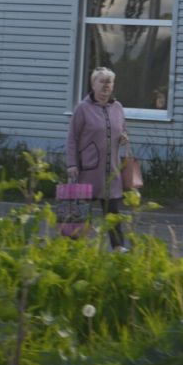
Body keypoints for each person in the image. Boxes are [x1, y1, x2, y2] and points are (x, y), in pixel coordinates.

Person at [65, 67, 130, 251]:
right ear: (93, 84)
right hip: (87, 169)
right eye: (101, 82)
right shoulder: (83, 109)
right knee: (82, 210)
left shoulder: (118, 108)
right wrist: (71, 164)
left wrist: (124, 136)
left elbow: (122, 129)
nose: (105, 87)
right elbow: (72, 138)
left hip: (111, 170)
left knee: (112, 212)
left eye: (109, 83)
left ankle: (118, 247)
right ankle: (75, 248)